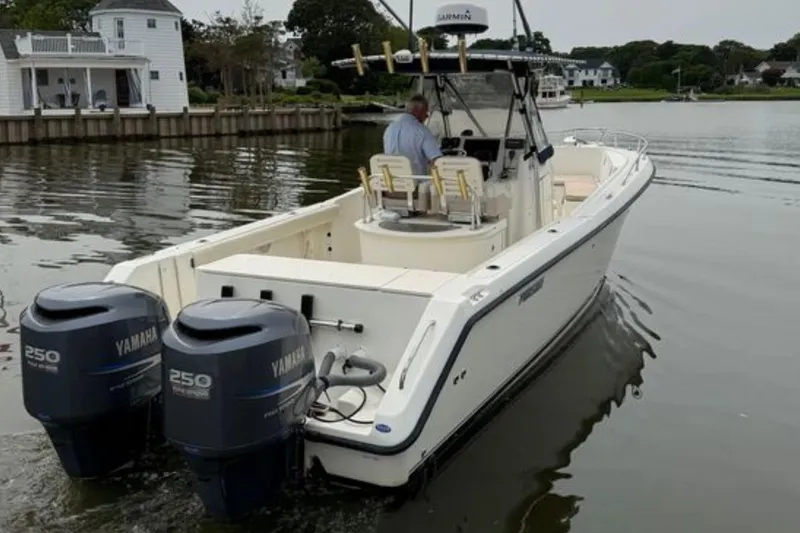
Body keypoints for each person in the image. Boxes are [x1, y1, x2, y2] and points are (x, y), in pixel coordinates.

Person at [382, 94, 443, 176]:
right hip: (415, 182)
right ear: (418, 111)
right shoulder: (422, 130)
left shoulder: (390, 128)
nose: (427, 116)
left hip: (391, 181)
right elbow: (437, 160)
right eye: (426, 113)